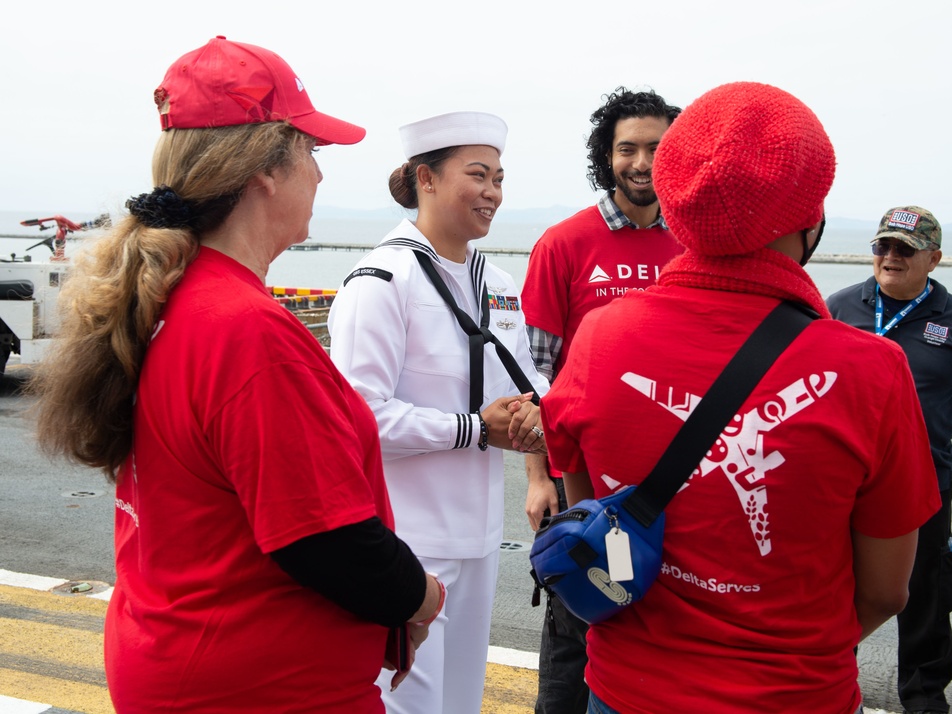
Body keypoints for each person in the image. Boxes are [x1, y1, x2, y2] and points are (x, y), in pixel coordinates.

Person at [28, 37, 443, 712]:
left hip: (177, 654)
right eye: (311, 151)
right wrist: (423, 597)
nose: (321, 174)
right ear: (264, 172)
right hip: (261, 688)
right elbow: (327, 541)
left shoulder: (175, 296)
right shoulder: (246, 330)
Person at [540, 81, 943, 714]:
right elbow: (888, 592)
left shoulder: (599, 338)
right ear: (812, 216)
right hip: (794, 694)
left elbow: (587, 512)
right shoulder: (871, 368)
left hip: (624, 691)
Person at [327, 111, 549, 714]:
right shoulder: (380, 280)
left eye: (499, 178)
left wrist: (543, 414)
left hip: (479, 540)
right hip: (408, 541)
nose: (493, 193)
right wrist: (477, 429)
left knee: (460, 705)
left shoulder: (497, 280)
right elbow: (359, 417)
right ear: (425, 179)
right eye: (477, 175)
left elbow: (526, 384)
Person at [520, 86, 684, 714]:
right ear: (605, 156)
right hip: (584, 485)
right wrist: (541, 480)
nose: (641, 162)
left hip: (674, 479)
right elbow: (533, 376)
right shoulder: (565, 244)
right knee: (580, 621)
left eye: (658, 149)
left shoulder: (693, 245)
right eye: (627, 149)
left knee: (661, 625)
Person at [827, 206, 952, 714]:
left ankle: (924, 700)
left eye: (905, 249)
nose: (891, 257)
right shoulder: (838, 308)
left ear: (934, 258)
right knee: (834, 587)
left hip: (924, 483)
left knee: (924, 595)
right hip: (843, 482)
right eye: (883, 246)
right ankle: (830, 686)